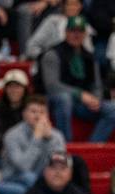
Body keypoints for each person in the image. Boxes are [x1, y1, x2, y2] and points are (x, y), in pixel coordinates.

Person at [41, 15, 115, 143]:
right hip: (55, 101)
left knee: (112, 108)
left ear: (85, 34)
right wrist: (80, 94)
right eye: (73, 31)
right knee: (64, 99)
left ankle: (92, 147)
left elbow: (96, 85)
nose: (76, 35)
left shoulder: (90, 56)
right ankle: (64, 147)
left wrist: (96, 98)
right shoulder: (52, 53)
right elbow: (52, 85)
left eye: (80, 31)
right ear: (66, 32)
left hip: (81, 103)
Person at [1, 94, 66, 188]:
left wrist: (49, 140)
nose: (38, 115)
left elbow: (59, 164)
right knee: (30, 177)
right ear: (24, 114)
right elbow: (24, 167)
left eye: (42, 112)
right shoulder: (12, 135)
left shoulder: (56, 135)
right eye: (33, 111)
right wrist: (37, 139)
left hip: (42, 177)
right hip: (13, 179)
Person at [0, 68, 29, 137]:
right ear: (5, 90)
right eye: (10, 87)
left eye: (17, 87)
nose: (14, 90)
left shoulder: (31, 108)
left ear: (25, 89)